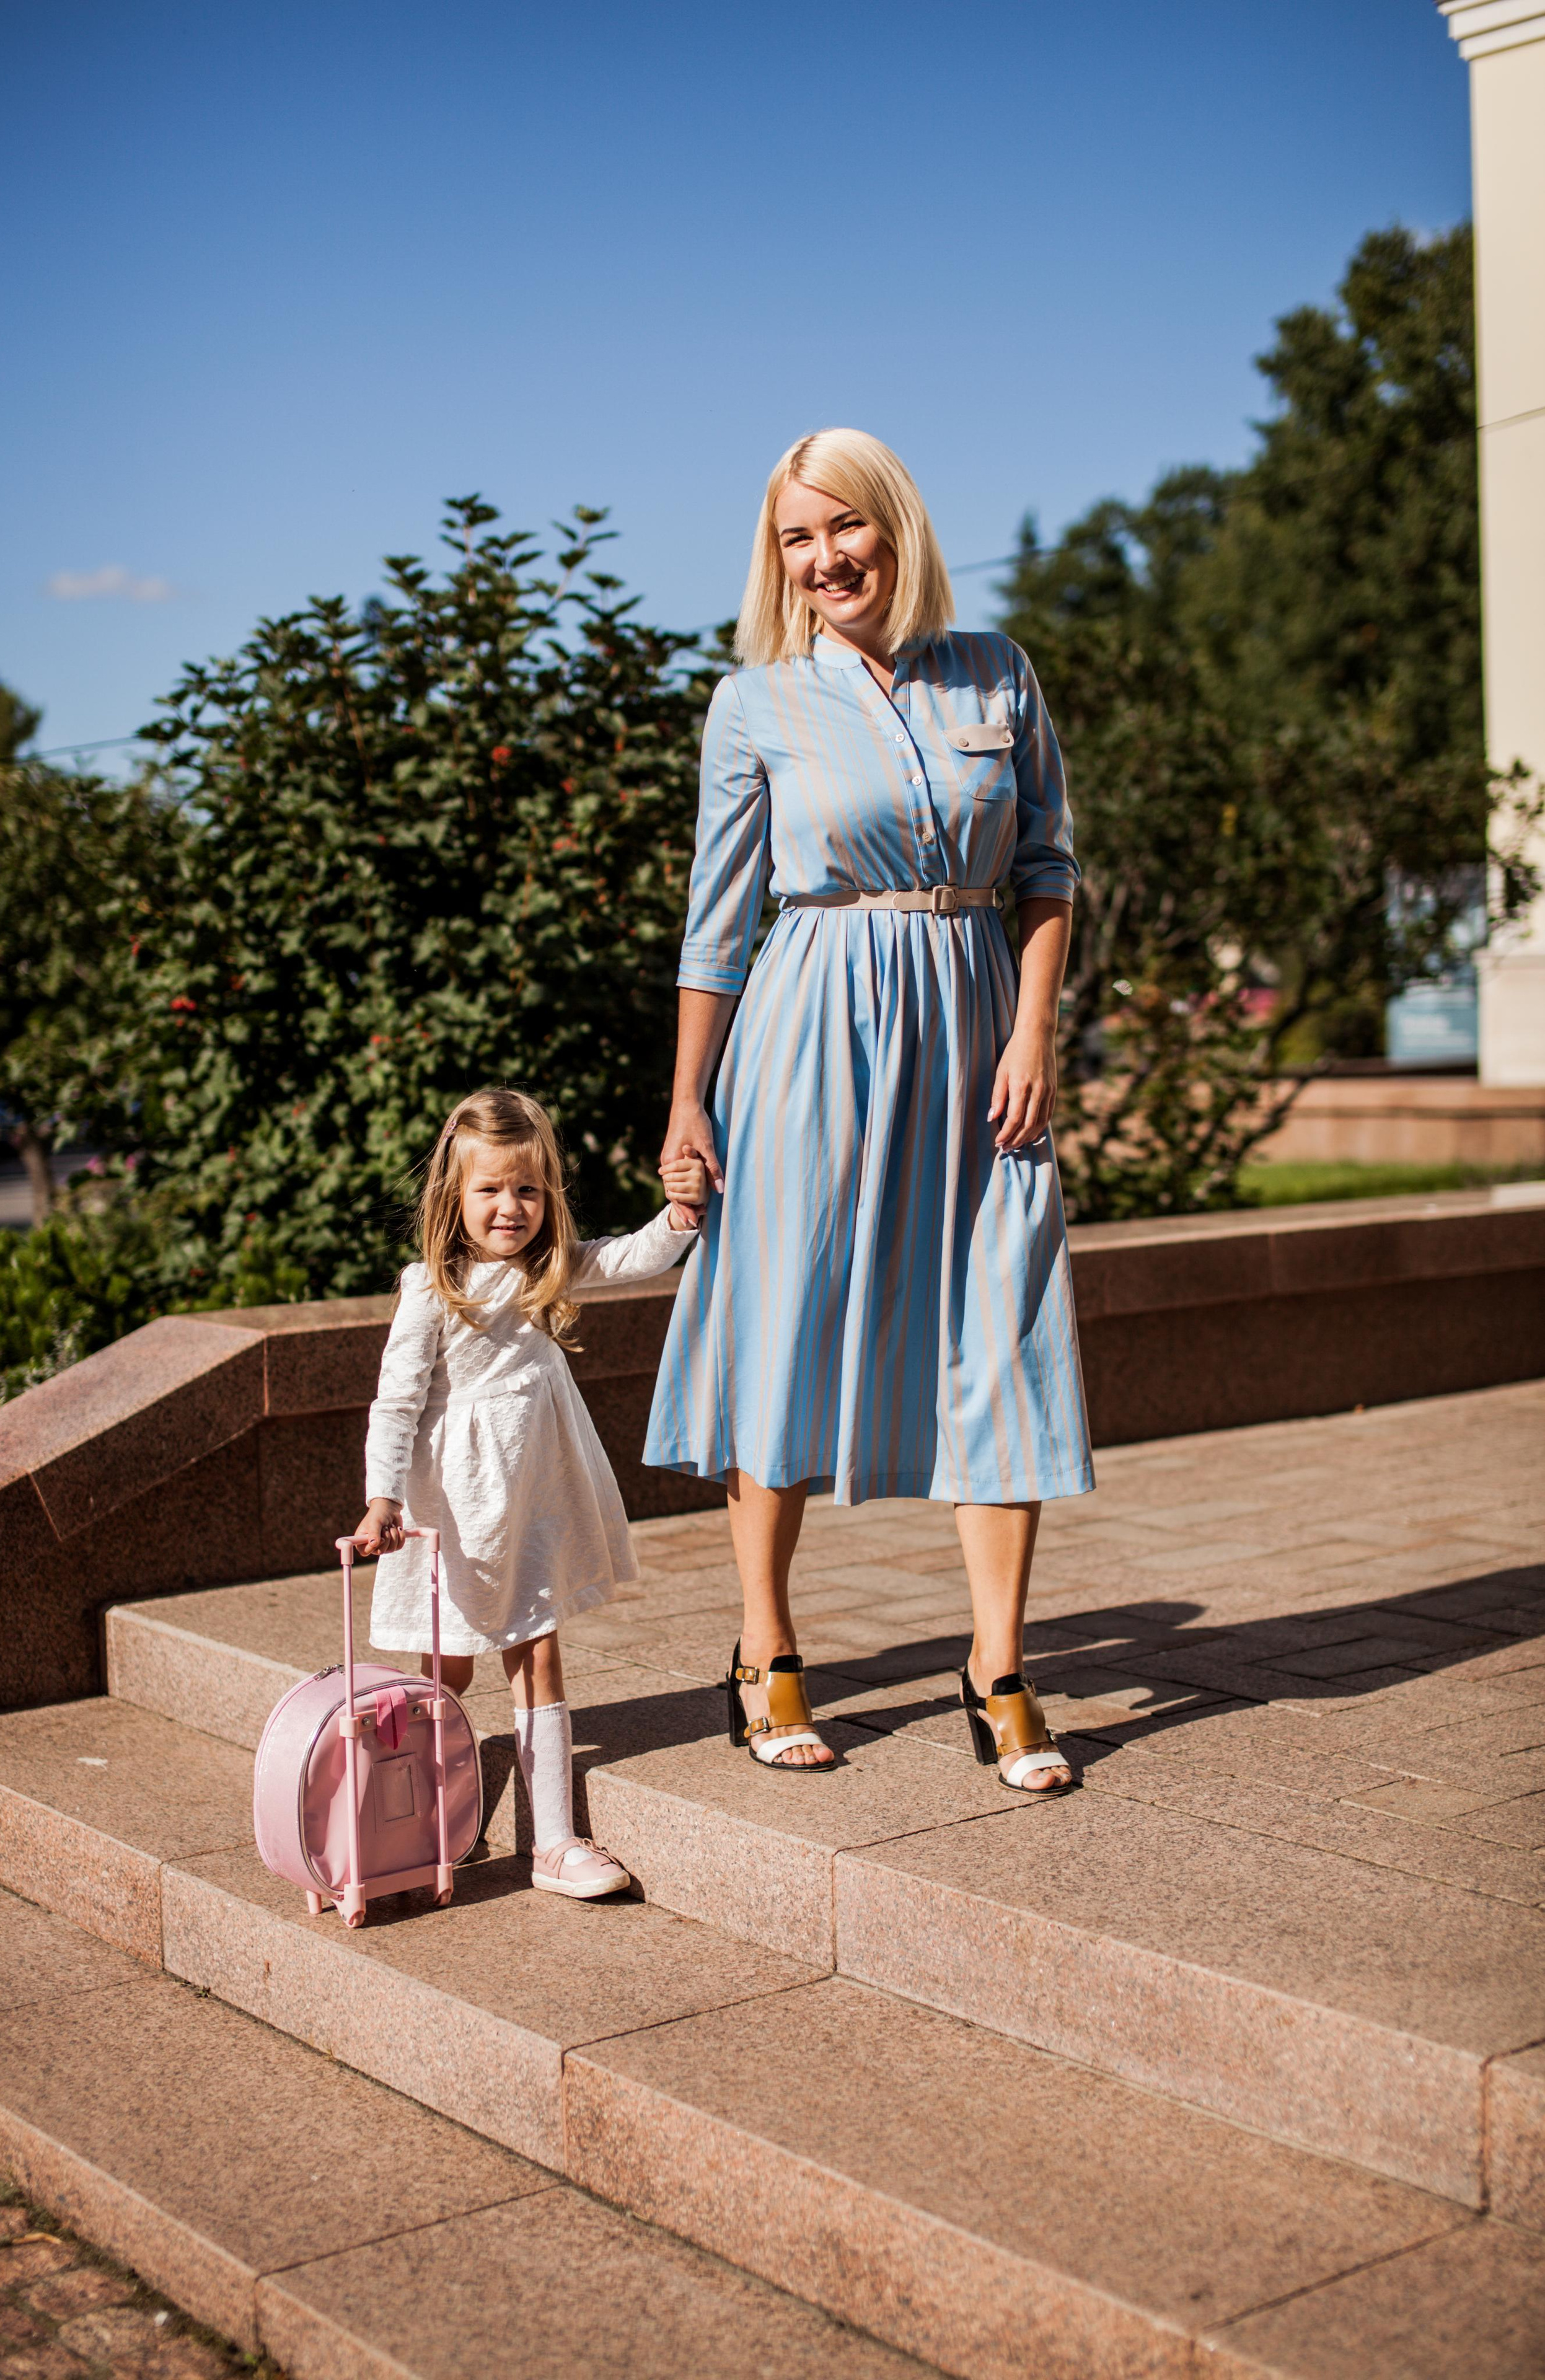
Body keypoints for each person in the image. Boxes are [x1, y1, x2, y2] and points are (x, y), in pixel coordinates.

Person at [645, 428, 1094, 1788]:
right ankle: (764, 1650)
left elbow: (1046, 870)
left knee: (1001, 1323)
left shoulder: (996, 673)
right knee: (784, 1322)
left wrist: (1031, 1031)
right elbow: (716, 929)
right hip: (807, 1038)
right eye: (796, 536)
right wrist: (685, 1106)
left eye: (845, 527)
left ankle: (998, 1669)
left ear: (894, 530)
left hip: (975, 1044)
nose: (824, 557)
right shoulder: (754, 703)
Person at [353, 1086, 706, 1896]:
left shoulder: (550, 1269)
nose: (510, 1207)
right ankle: (424, 1819)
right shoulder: (432, 1290)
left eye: (527, 1189)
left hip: (537, 1496)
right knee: (444, 1669)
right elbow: (397, 1402)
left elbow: (631, 1255)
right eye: (490, 1190)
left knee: (537, 1649)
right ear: (455, 1196)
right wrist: (383, 1499)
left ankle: (552, 1842)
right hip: (455, 1510)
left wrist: (680, 1218)